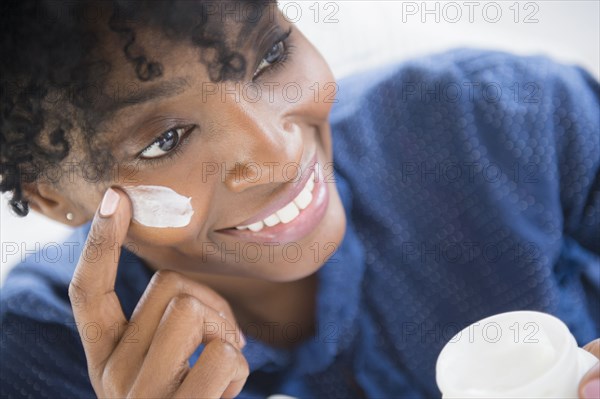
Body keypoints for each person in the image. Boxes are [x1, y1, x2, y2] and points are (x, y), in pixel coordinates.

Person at [1, 1, 598, 398]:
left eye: (270, 56)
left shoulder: (493, 116)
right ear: (51, 197)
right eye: (165, 140)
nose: (278, 152)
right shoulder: (38, 355)